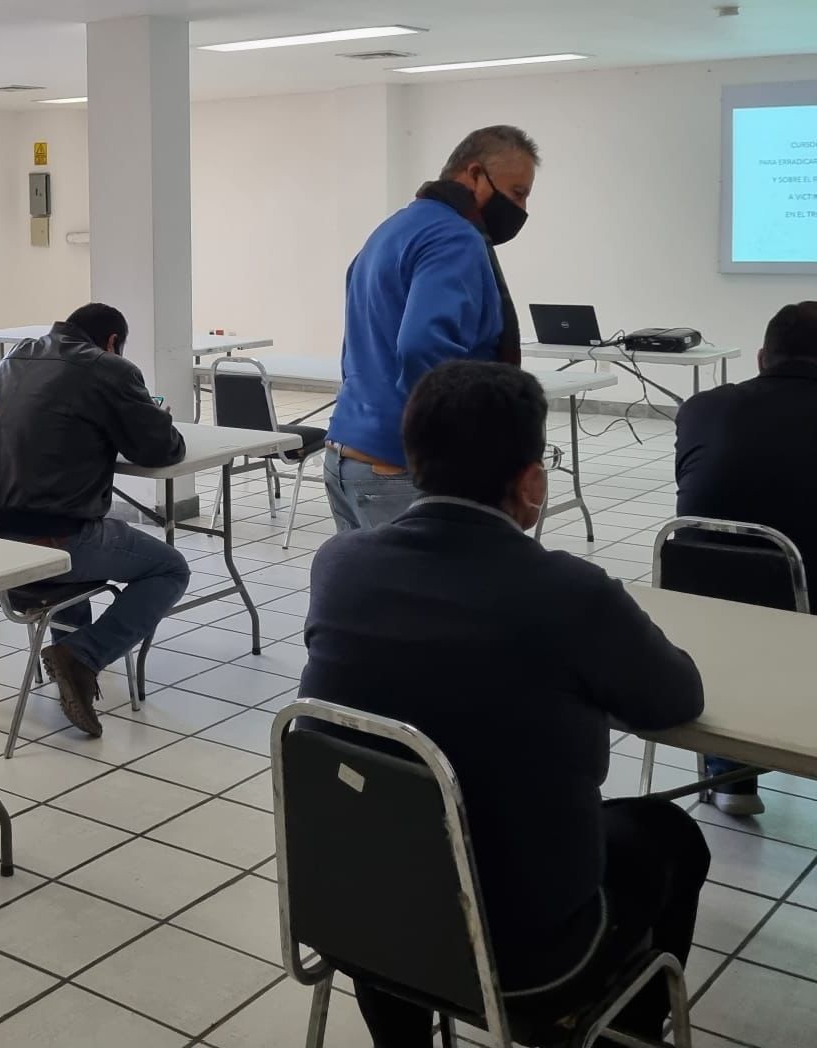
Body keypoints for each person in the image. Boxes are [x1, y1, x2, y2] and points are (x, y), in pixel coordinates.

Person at [301, 361, 708, 1047]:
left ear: (412, 461)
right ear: (532, 482)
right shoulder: (572, 593)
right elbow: (673, 699)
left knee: (396, 831)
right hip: (526, 955)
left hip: (357, 916)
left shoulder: (340, 564)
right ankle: (617, 1029)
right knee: (668, 835)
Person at [0, 304, 190, 738]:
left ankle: (69, 654)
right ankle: (81, 654)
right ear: (112, 342)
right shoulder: (110, 369)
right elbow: (161, 450)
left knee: (78, 531)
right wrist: (157, 416)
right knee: (170, 568)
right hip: (49, 539)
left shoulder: (15, 357)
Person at [325, 124, 539, 532]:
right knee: (447, 575)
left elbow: (360, 344)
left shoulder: (391, 230)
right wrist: (455, 453)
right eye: (517, 193)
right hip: (400, 468)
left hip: (347, 454)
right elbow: (423, 346)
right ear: (474, 174)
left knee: (369, 576)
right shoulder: (455, 237)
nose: (522, 209)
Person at [674, 299, 817, 816]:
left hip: (705, 609)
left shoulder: (701, 408)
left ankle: (730, 775)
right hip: (806, 606)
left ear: (761, 357)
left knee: (741, 582)